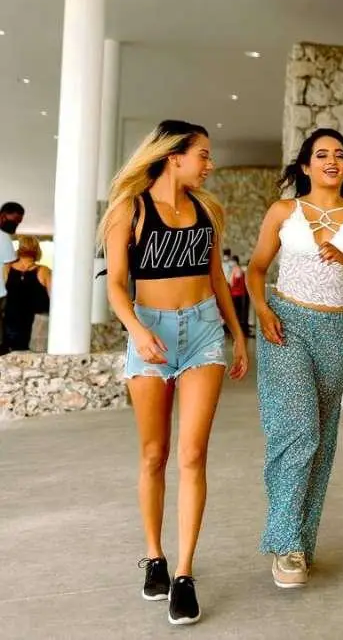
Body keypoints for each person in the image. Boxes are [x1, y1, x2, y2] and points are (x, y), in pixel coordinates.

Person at [98, 120, 248, 627]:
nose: (209, 164)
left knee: (193, 454)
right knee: (153, 453)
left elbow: (216, 279)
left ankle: (183, 575)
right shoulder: (131, 209)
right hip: (151, 333)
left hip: (203, 331)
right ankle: (154, 556)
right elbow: (116, 284)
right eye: (203, 154)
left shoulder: (207, 210)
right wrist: (137, 330)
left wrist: (237, 334)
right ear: (173, 155)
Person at [246, 128, 343, 589]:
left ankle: (302, 543)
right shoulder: (283, 211)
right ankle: (285, 542)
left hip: (335, 328)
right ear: (305, 166)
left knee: (321, 438)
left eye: (338, 155)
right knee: (298, 430)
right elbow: (256, 269)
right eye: (321, 154)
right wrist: (263, 310)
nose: (331, 161)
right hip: (285, 322)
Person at [2, 235, 51, 351]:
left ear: (19, 249)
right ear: (37, 251)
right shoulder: (43, 271)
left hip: (10, 324)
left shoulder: (6, 269)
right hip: (36, 326)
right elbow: (55, 298)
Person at [0, 201, 25, 355]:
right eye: (15, 221)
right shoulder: (3, 237)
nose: (16, 225)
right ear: (3, 216)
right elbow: (11, 265)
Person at [228, 255, 249, 334]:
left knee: (237, 312)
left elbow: (234, 283)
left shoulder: (237, 270)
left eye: (232, 261)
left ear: (235, 261)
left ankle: (238, 329)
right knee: (237, 312)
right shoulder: (235, 270)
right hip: (236, 294)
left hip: (237, 294)